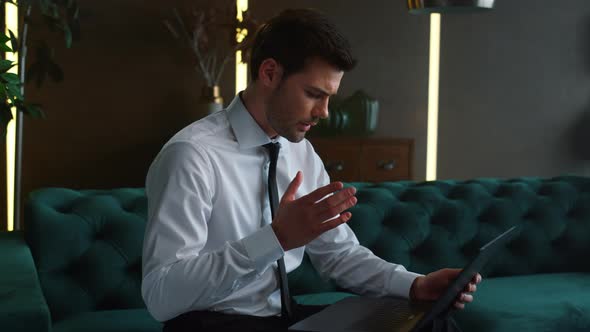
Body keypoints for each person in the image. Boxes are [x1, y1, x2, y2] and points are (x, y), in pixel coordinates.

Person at [142, 8, 481, 332]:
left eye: (329, 97)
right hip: (211, 323)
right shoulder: (192, 155)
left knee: (431, 324)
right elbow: (161, 296)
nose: (324, 112)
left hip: (283, 317)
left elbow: (338, 254)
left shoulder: (299, 150)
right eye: (313, 94)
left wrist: (416, 286)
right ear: (270, 73)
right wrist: (275, 239)